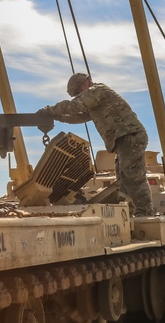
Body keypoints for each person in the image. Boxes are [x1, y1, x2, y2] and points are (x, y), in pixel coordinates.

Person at [37, 73, 154, 217]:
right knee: (124, 179)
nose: (79, 96)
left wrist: (50, 110)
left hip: (129, 136)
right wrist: (56, 116)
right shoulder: (94, 101)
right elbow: (78, 117)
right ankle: (132, 211)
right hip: (123, 140)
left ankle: (146, 212)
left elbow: (74, 106)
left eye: (79, 93)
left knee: (133, 176)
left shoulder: (98, 91)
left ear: (85, 84)